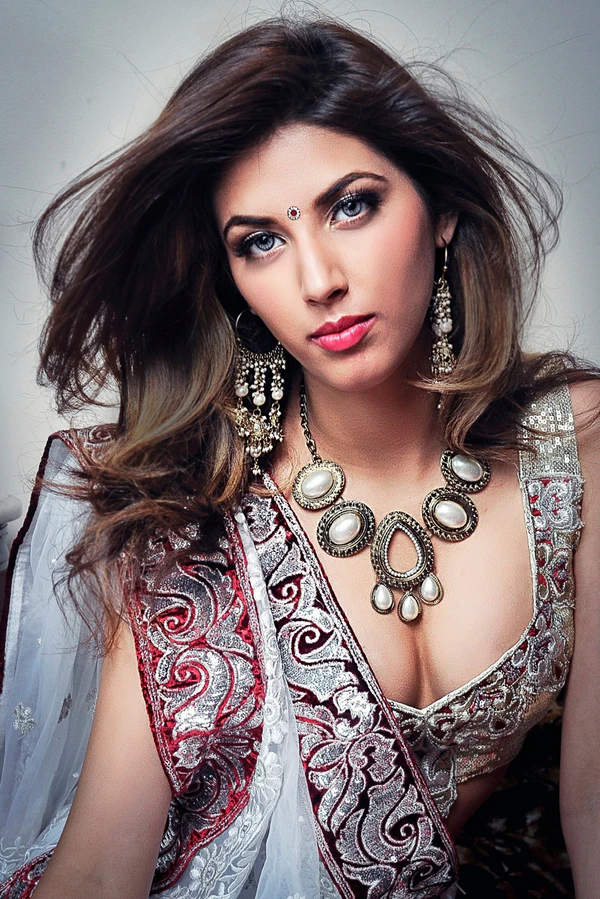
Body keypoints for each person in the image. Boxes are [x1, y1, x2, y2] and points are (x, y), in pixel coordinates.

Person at [0, 15, 599, 899]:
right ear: (234, 282)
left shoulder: (575, 444)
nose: (319, 280)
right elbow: (99, 868)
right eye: (261, 241)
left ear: (441, 211)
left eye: (351, 205)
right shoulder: (196, 513)